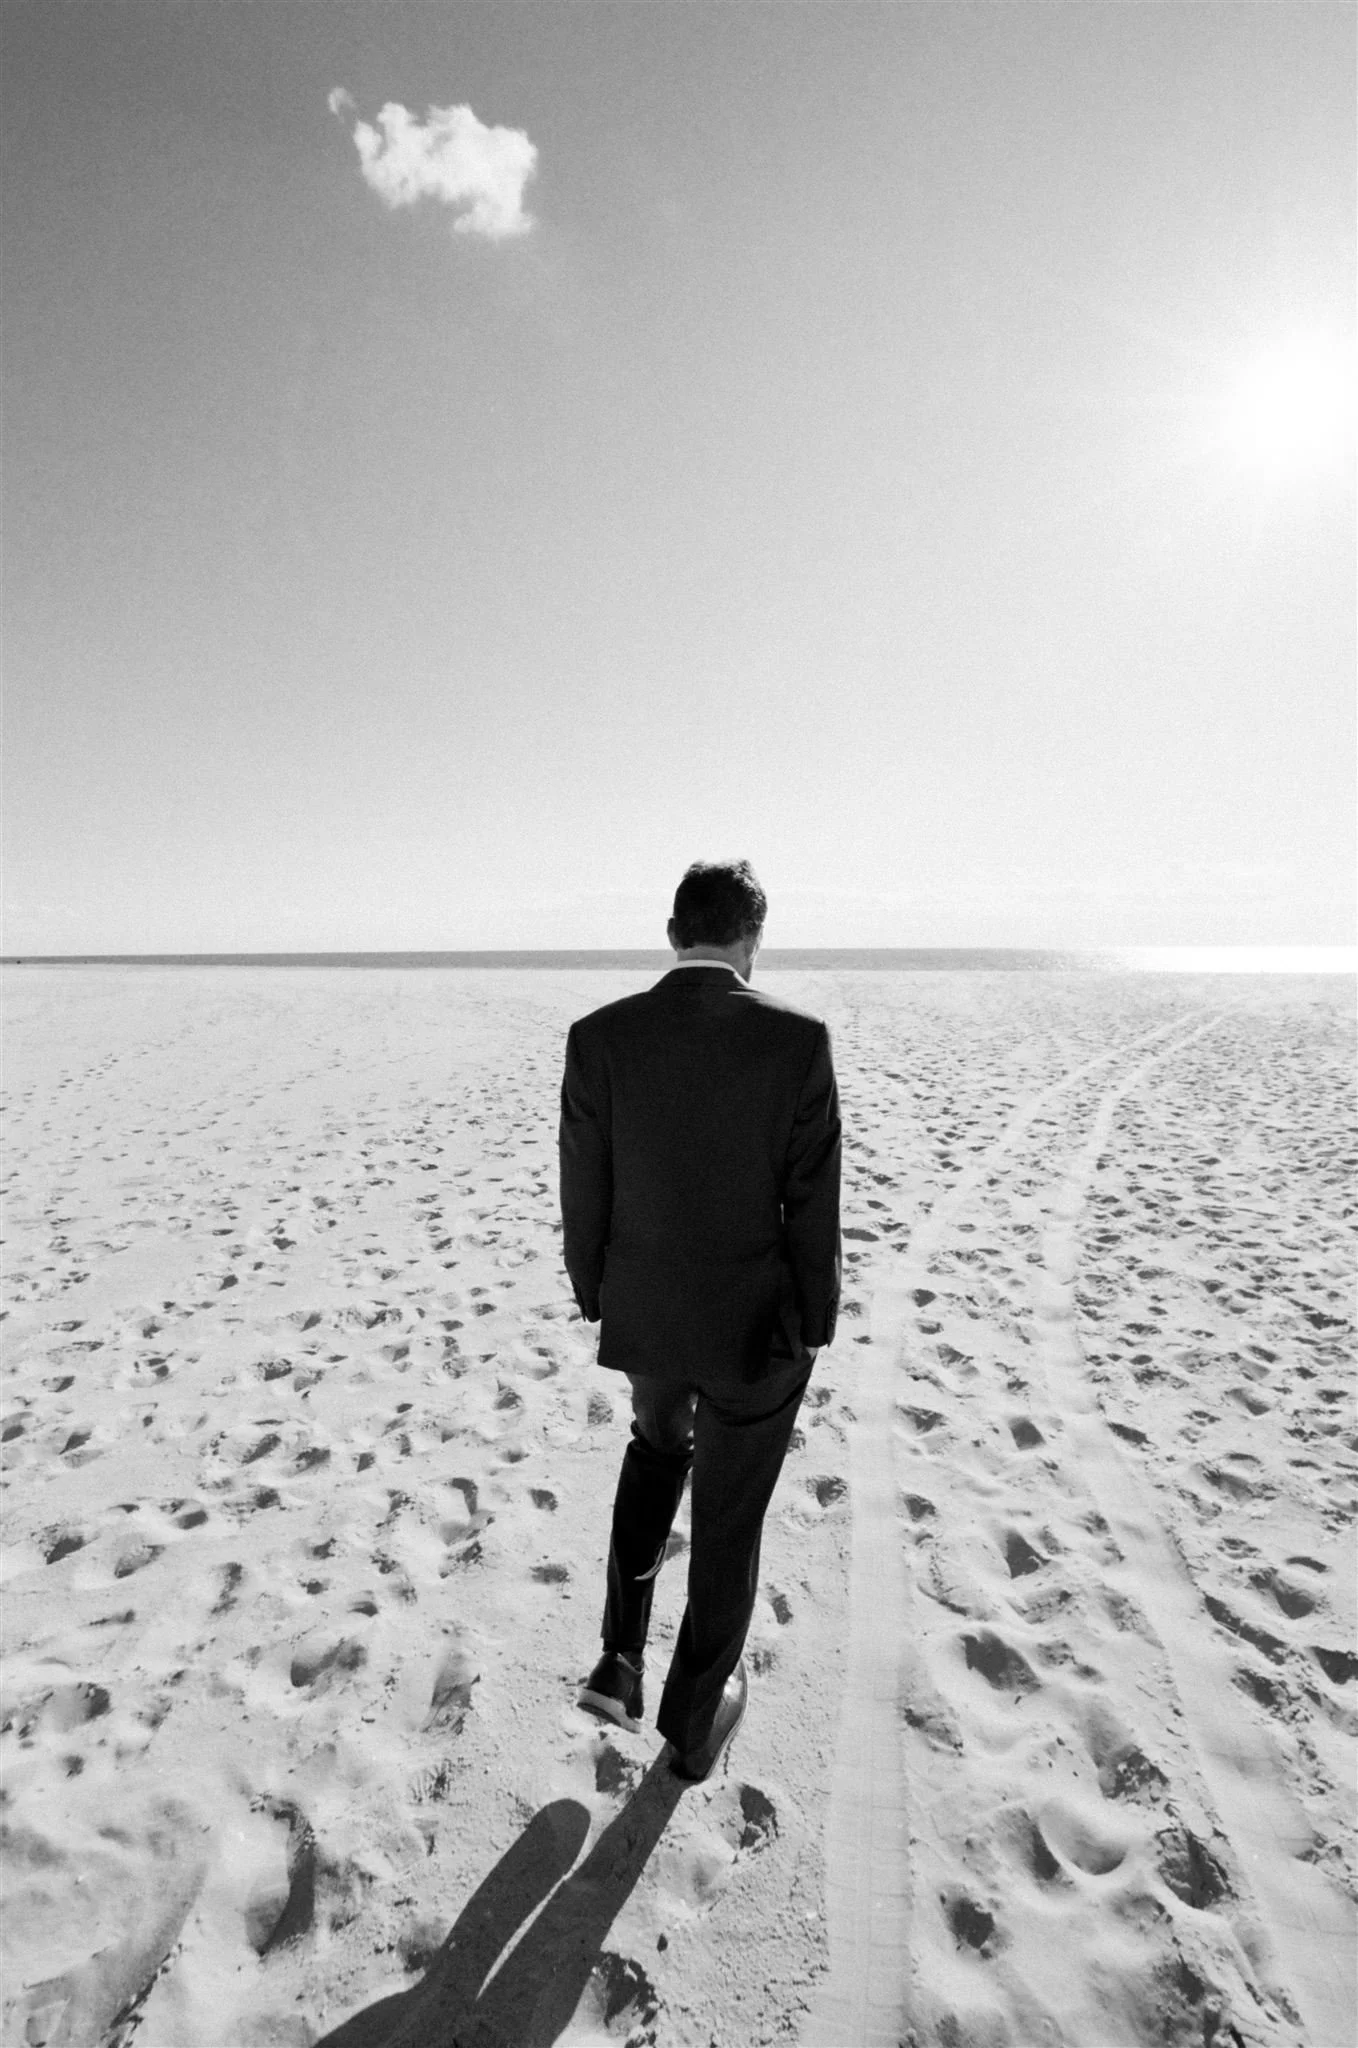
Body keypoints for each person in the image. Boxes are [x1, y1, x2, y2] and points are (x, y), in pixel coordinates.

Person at [558, 859, 842, 1782]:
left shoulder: (599, 1036)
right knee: (728, 1516)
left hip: (647, 1314)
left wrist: (597, 1292)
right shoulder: (797, 1041)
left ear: (674, 932)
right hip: (755, 1328)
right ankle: (691, 1724)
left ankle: (619, 1656)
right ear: (750, 939)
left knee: (655, 1446)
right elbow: (814, 1203)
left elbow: (583, 1185)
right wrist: (817, 1324)